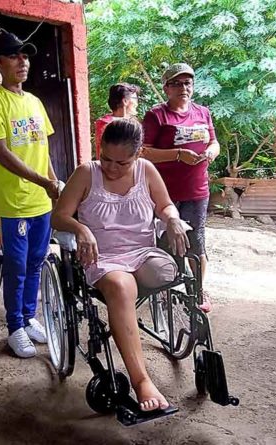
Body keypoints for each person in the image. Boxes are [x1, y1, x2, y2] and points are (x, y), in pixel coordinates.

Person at [51, 118, 189, 412]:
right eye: (106, 159)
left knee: (167, 272)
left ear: (138, 155)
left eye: (122, 163)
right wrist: (82, 230)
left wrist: (172, 219)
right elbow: (59, 216)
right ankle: (142, 381)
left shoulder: (147, 171)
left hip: (141, 251)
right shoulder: (86, 173)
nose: (112, 168)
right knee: (120, 285)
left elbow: (164, 205)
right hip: (104, 257)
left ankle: (123, 315)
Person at [0, 31, 61, 358]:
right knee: (17, 264)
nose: (22, 61)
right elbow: (0, 153)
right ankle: (14, 327)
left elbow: (44, 151)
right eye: (13, 56)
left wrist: (53, 186)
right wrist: (43, 181)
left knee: (37, 261)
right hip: (15, 204)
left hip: (41, 199)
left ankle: (28, 317)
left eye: (25, 55)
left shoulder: (35, 102)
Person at [141, 63, 219, 312]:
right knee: (168, 240)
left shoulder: (203, 113)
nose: (183, 88)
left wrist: (210, 152)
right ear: (166, 88)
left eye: (188, 82)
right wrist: (177, 155)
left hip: (197, 190)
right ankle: (167, 289)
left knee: (196, 241)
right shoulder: (157, 115)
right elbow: (143, 152)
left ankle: (197, 290)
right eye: (176, 83)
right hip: (165, 192)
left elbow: (215, 142)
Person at [94, 82, 140, 158]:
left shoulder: (134, 123)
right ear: (125, 101)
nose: (136, 103)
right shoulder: (106, 124)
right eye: (135, 99)